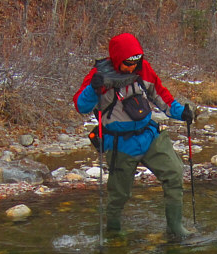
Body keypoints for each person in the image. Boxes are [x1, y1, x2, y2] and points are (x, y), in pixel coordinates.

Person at [73, 32, 194, 241]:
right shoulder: (99, 75)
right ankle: (114, 233)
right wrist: (94, 88)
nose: (133, 67)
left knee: (174, 173)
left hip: (149, 136)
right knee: (119, 194)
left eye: (137, 61)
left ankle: (175, 228)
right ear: (118, 59)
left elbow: (160, 95)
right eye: (129, 62)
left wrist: (180, 112)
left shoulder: (143, 69)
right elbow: (81, 106)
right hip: (120, 144)